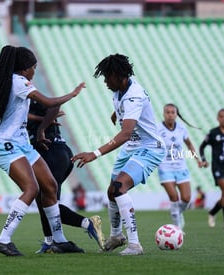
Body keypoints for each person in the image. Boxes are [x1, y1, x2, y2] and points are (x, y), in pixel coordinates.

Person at [0, 45, 86, 256]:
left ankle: (58, 241)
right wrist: (73, 94)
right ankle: (3, 240)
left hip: (21, 143)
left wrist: (41, 126)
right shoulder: (20, 82)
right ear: (25, 69)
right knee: (31, 189)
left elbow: (18, 114)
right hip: (6, 145)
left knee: (49, 185)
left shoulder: (13, 82)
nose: (34, 71)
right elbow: (50, 103)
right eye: (33, 67)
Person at [71, 54, 166, 255]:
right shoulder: (121, 91)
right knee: (111, 192)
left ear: (118, 75)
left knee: (118, 187)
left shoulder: (133, 96)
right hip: (131, 147)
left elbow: (125, 134)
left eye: (107, 77)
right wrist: (118, 113)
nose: (105, 82)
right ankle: (116, 236)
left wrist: (94, 153)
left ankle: (134, 244)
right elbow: (126, 112)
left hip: (150, 148)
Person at [27, 101, 104, 253]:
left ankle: (88, 223)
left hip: (52, 153)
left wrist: (42, 126)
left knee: (47, 202)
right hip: (53, 154)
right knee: (44, 200)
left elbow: (54, 105)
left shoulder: (28, 98)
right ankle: (50, 242)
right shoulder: (24, 102)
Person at [157, 103, 202, 229]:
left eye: (173, 112)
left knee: (186, 199)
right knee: (174, 197)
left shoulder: (182, 129)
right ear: (163, 114)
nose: (170, 115)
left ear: (176, 114)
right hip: (165, 167)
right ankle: (177, 228)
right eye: (167, 112)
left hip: (181, 167)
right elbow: (151, 145)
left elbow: (189, 144)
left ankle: (177, 212)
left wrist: (198, 160)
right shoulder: (157, 128)